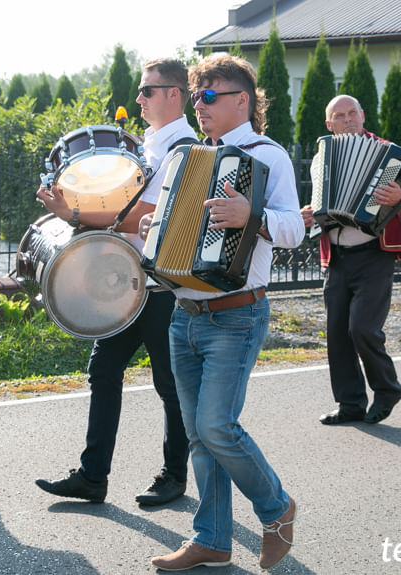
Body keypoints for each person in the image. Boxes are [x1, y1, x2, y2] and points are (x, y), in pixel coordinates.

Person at [145, 54, 304, 571]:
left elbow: (295, 230)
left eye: (209, 96)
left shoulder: (267, 155)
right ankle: (212, 539)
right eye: (195, 96)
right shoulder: (190, 157)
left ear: (243, 101)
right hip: (184, 312)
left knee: (217, 427)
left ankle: (277, 508)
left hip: (236, 315)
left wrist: (251, 216)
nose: (199, 105)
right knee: (197, 434)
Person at [34, 58, 193, 505]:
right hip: (129, 280)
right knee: (104, 370)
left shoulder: (182, 148)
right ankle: (92, 475)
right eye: (141, 91)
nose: (139, 98)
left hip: (162, 286)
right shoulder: (151, 146)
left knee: (169, 385)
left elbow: (147, 215)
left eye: (148, 91)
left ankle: (174, 475)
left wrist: (76, 214)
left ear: (173, 95)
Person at [299, 95, 401, 426]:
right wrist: (307, 215)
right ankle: (350, 403)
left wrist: (399, 198)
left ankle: (387, 389)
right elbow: (320, 208)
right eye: (340, 115)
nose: (348, 119)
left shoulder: (389, 155)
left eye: (353, 113)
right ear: (329, 124)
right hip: (336, 256)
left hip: (374, 254)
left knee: (362, 329)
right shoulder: (322, 159)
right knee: (337, 334)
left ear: (363, 116)